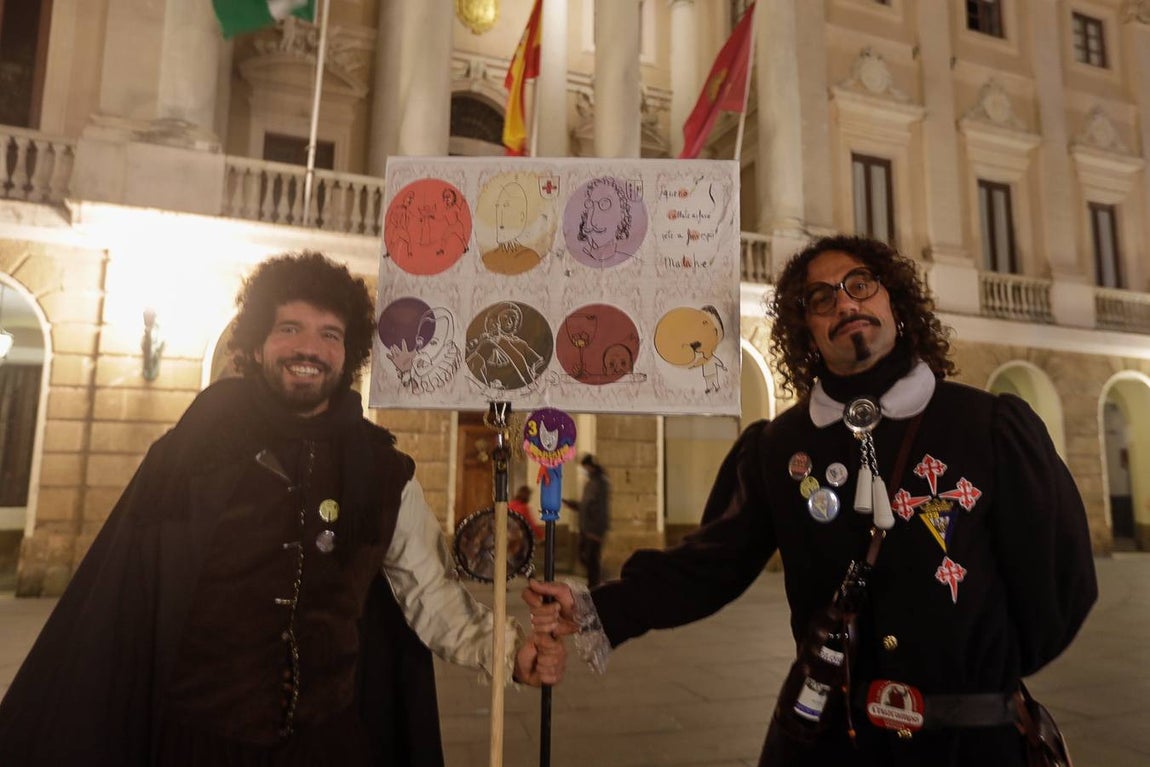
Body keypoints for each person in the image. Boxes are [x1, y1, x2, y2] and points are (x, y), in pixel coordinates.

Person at [528, 235, 1097, 766]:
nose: (845, 303)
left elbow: (1060, 573)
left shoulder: (985, 424)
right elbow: (710, 565)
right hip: (831, 741)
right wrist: (600, 607)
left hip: (971, 746)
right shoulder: (779, 447)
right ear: (806, 329)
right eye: (821, 297)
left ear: (895, 301)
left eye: (860, 284)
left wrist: (983, 676)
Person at [0, 252, 564, 766]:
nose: (309, 349)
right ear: (257, 342)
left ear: (349, 353)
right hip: (196, 744)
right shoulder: (193, 450)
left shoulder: (382, 471)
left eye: (329, 334)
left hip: (330, 746)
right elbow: (125, 598)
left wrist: (509, 652)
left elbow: (429, 593)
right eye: (289, 328)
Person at [561, 453, 610, 588]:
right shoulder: (591, 482)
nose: (584, 470)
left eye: (585, 467)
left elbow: (600, 508)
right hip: (586, 528)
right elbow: (586, 505)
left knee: (591, 559)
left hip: (594, 529)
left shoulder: (601, 483)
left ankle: (596, 584)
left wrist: (596, 531)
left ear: (590, 467)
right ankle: (596, 581)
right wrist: (572, 504)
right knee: (585, 558)